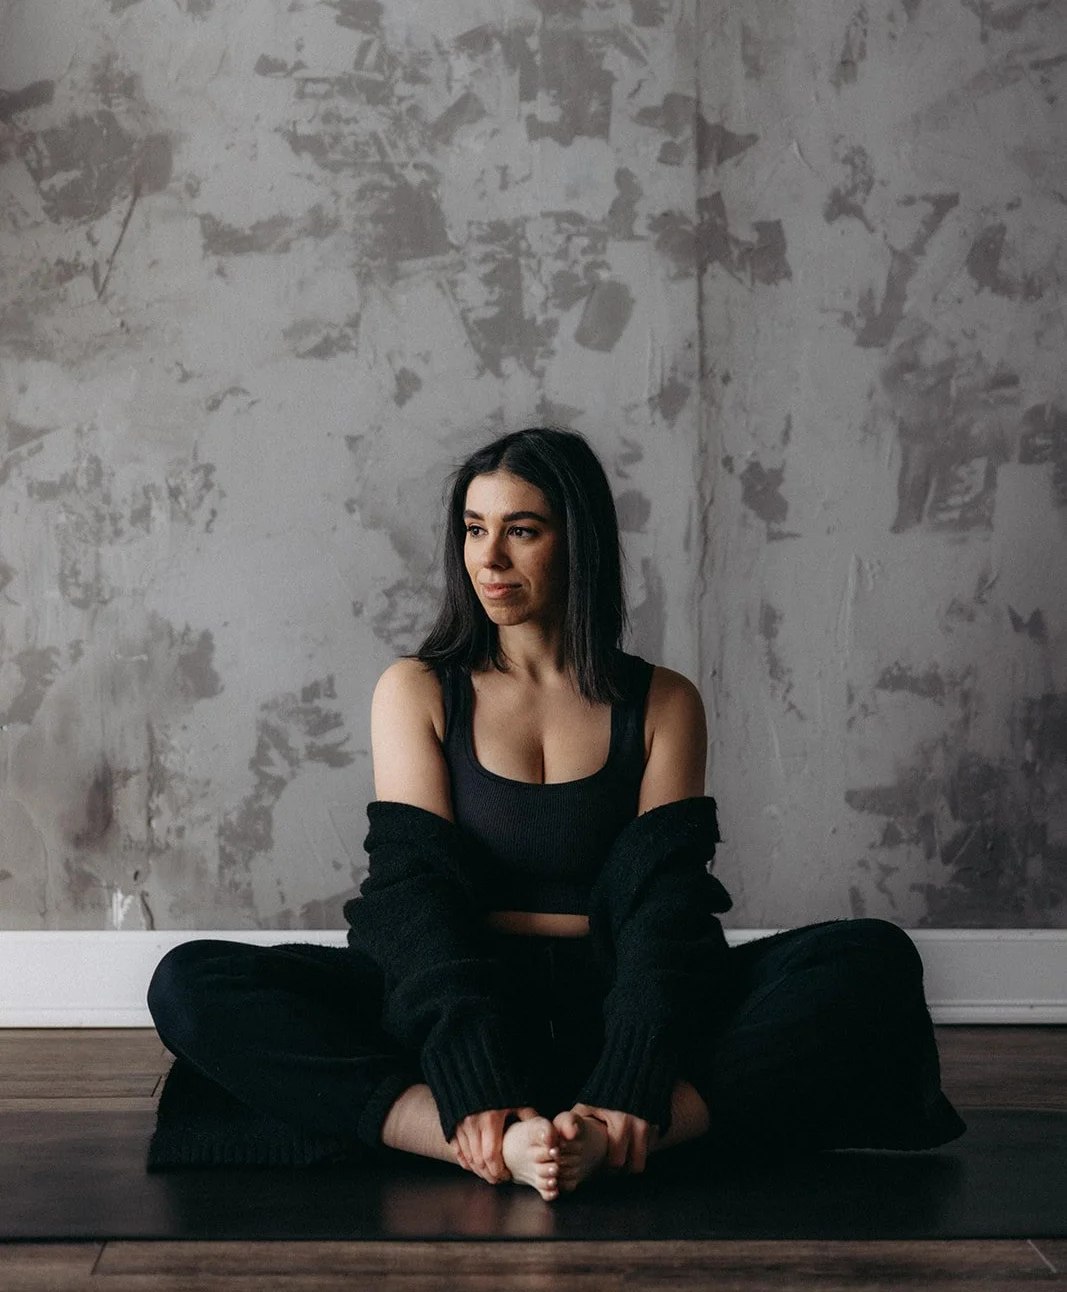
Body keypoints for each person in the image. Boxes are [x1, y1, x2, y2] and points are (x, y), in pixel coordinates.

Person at [147, 426, 964, 1196]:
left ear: (578, 541)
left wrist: (634, 1069)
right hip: (458, 998)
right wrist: (472, 1080)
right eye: (473, 529)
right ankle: (473, 1140)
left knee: (871, 961)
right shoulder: (419, 689)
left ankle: (619, 1131)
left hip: (613, 997)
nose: (488, 558)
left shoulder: (661, 701)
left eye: (522, 531)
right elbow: (413, 896)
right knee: (190, 983)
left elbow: (665, 907)